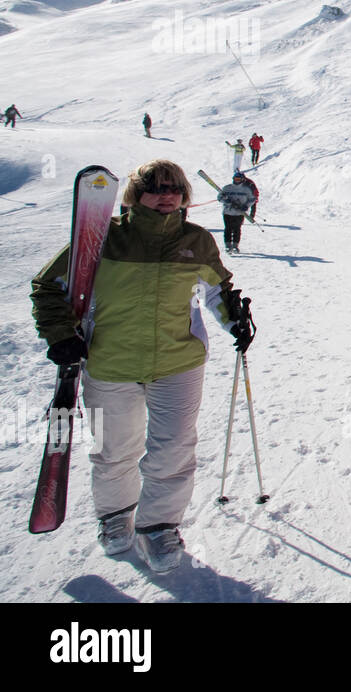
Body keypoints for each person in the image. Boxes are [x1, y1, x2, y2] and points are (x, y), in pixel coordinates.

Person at [30, 160, 252, 573]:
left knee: (174, 449)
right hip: (111, 361)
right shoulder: (102, 237)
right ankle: (116, 518)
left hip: (178, 362)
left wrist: (234, 318)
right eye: (154, 187)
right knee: (114, 450)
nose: (165, 194)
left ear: (185, 194)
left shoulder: (197, 240)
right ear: (135, 194)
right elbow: (47, 285)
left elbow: (216, 289)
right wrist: (60, 334)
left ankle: (159, 526)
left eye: (173, 187)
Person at [218, 171, 258, 253]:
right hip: (227, 212)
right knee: (228, 229)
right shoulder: (227, 188)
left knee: (237, 229)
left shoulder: (246, 189)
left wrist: (246, 206)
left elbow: (252, 199)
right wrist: (226, 201)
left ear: (242, 179)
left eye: (238, 179)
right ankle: (228, 246)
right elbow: (219, 198)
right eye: (235, 179)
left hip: (239, 213)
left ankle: (235, 246)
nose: (237, 180)